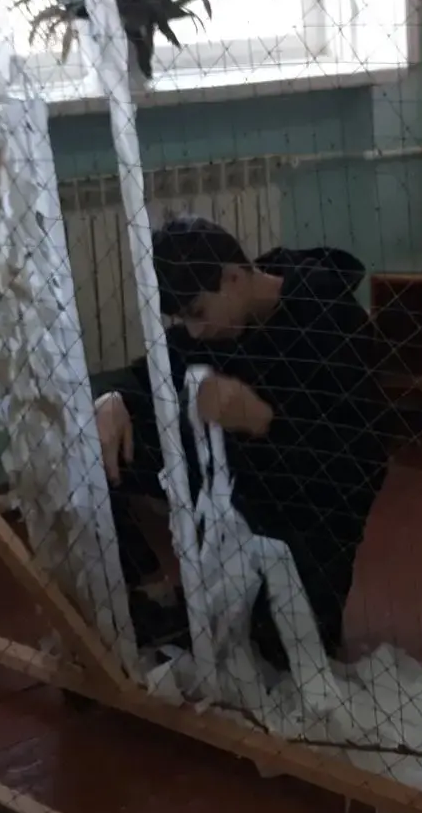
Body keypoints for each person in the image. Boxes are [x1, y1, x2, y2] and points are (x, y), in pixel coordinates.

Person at [95, 215, 390, 670]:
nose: (195, 331)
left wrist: (264, 421)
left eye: (197, 313)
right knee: (92, 439)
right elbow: (154, 369)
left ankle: (229, 601)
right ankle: (152, 590)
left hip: (310, 510)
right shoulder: (217, 321)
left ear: (233, 277)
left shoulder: (333, 319)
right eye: (184, 319)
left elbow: (359, 466)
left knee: (284, 658)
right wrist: (114, 399)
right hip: (239, 489)